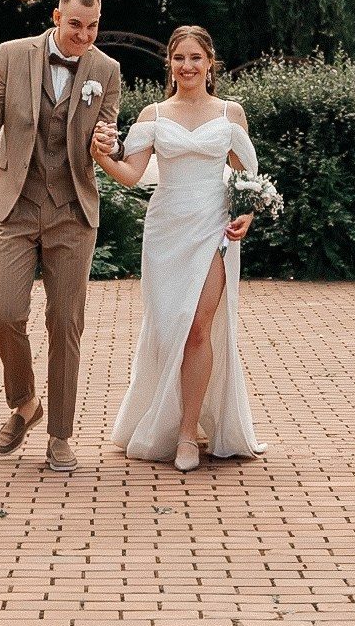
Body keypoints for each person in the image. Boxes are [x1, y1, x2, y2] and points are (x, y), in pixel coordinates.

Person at [0, 0, 123, 475]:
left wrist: (105, 142)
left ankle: (60, 435)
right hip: (15, 204)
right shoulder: (13, 54)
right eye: (75, 24)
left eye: (92, 27)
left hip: (72, 210)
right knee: (6, 313)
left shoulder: (107, 70)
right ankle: (26, 401)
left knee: (65, 323)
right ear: (56, 15)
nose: (83, 35)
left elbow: (107, 139)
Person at [92, 25, 266, 471]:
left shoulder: (231, 113)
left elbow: (247, 179)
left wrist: (245, 214)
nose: (186, 66)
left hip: (213, 230)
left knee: (198, 328)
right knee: (168, 328)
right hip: (167, 230)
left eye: (195, 58)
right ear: (169, 64)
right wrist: (99, 155)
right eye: (178, 58)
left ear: (210, 63)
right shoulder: (154, 113)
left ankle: (188, 434)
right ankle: (161, 417)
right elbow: (131, 175)